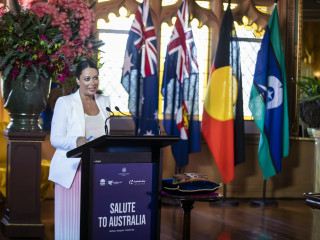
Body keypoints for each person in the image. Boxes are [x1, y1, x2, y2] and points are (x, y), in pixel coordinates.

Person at [48, 59, 110, 239]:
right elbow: (55, 139)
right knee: (71, 225)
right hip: (73, 171)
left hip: (98, 170)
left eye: (95, 78)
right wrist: (76, 140)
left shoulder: (104, 101)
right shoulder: (64, 102)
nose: (93, 83)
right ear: (77, 80)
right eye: (87, 79)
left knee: (94, 223)